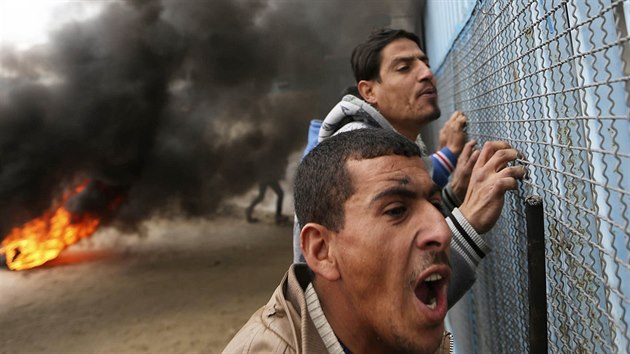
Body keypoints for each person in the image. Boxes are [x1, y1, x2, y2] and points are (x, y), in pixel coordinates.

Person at [224, 128, 524, 353]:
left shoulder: (387, 326)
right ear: (321, 250)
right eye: (396, 210)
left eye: (434, 205)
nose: (442, 232)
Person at [292, 28, 525, 306]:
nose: (426, 73)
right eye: (404, 67)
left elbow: (403, 233)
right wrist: (469, 221)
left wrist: (452, 195)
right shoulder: (358, 155)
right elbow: (389, 294)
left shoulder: (392, 141)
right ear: (369, 91)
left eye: (424, 63)